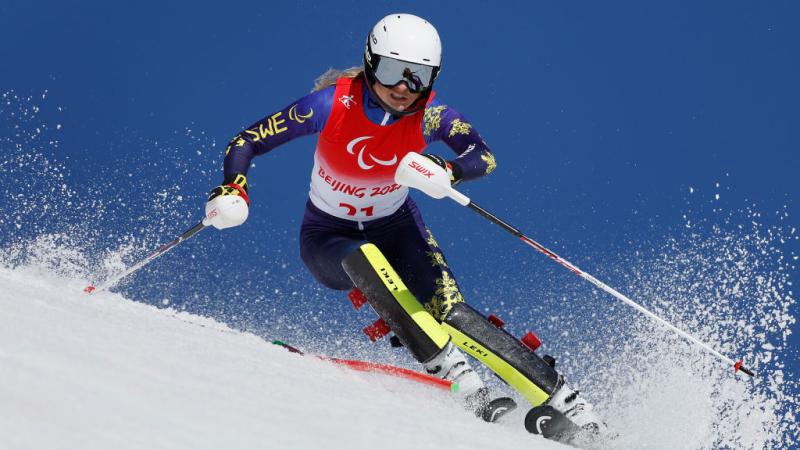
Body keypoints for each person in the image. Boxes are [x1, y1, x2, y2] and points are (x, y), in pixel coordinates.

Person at [204, 13, 604, 437]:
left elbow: (482, 155)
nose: (403, 88)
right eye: (394, 72)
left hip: (397, 228)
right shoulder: (331, 105)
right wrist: (235, 188)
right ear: (371, 63)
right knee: (366, 259)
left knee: (451, 310)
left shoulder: (430, 116)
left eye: (419, 78)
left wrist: (447, 170)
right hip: (328, 237)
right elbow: (247, 140)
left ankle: (572, 406)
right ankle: (459, 377)